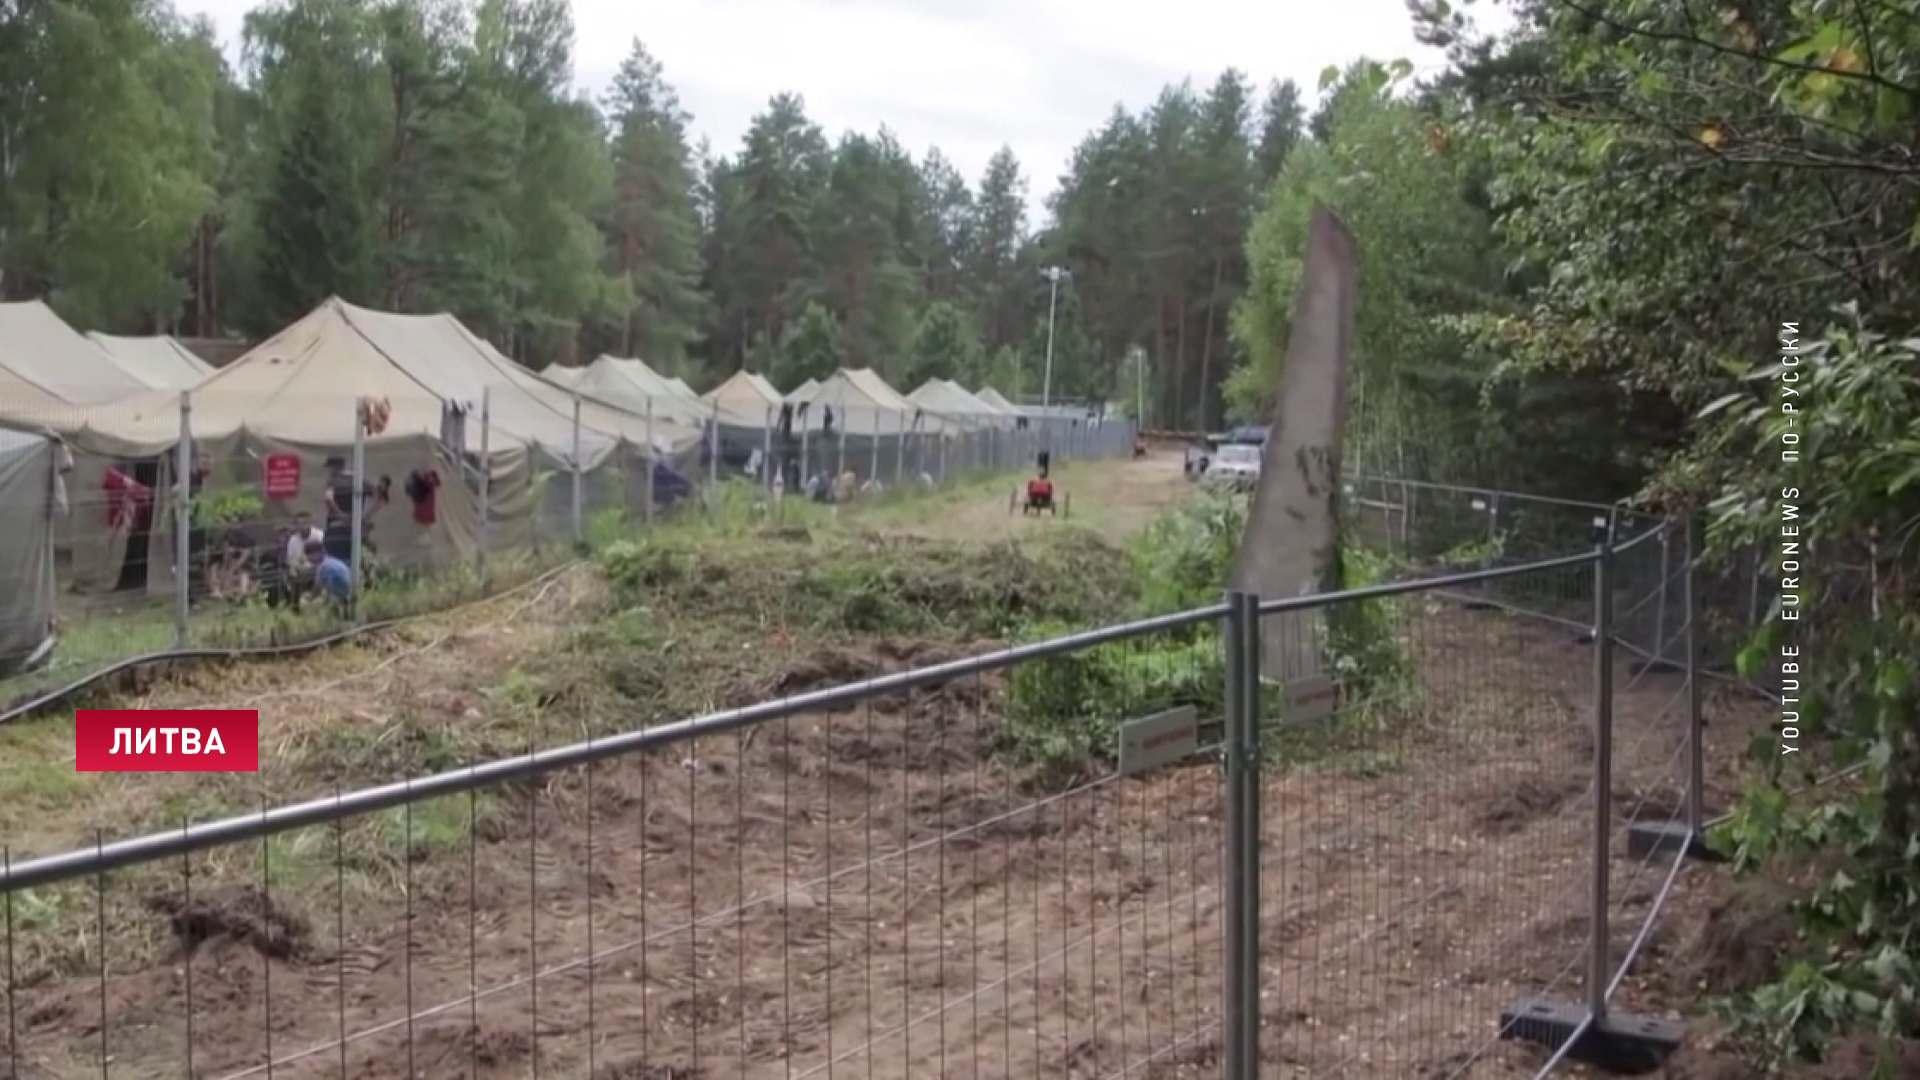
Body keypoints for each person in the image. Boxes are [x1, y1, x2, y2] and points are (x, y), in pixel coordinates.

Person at [308, 539, 352, 609]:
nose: (309, 559)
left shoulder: (322, 566)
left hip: (341, 594)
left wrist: (310, 599)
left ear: (317, 553)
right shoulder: (333, 561)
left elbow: (317, 588)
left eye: (310, 556)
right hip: (351, 590)